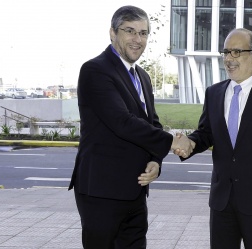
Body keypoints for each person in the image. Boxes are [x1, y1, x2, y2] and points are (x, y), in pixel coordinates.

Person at [69, 5, 192, 248]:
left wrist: (156, 160)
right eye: (130, 31)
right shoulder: (95, 70)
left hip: (135, 190)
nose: (138, 40)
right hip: (102, 191)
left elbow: (151, 123)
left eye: (143, 33)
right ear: (113, 33)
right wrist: (173, 142)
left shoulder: (142, 76)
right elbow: (121, 122)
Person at [180, 28, 252, 249]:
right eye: (225, 52)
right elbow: (206, 133)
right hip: (222, 203)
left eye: (236, 52)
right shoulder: (213, 93)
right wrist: (190, 143)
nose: (228, 59)